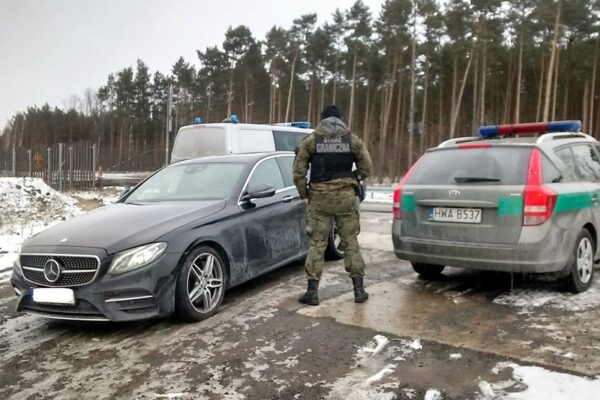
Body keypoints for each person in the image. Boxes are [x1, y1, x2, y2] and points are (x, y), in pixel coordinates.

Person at [293, 105, 373, 306]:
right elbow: (367, 167)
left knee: (317, 245)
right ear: (340, 118)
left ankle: (312, 293)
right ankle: (359, 290)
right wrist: (353, 178)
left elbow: (298, 171)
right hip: (346, 197)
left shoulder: (311, 140)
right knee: (350, 242)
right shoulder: (352, 139)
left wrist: (304, 194)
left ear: (321, 119)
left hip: (319, 197)